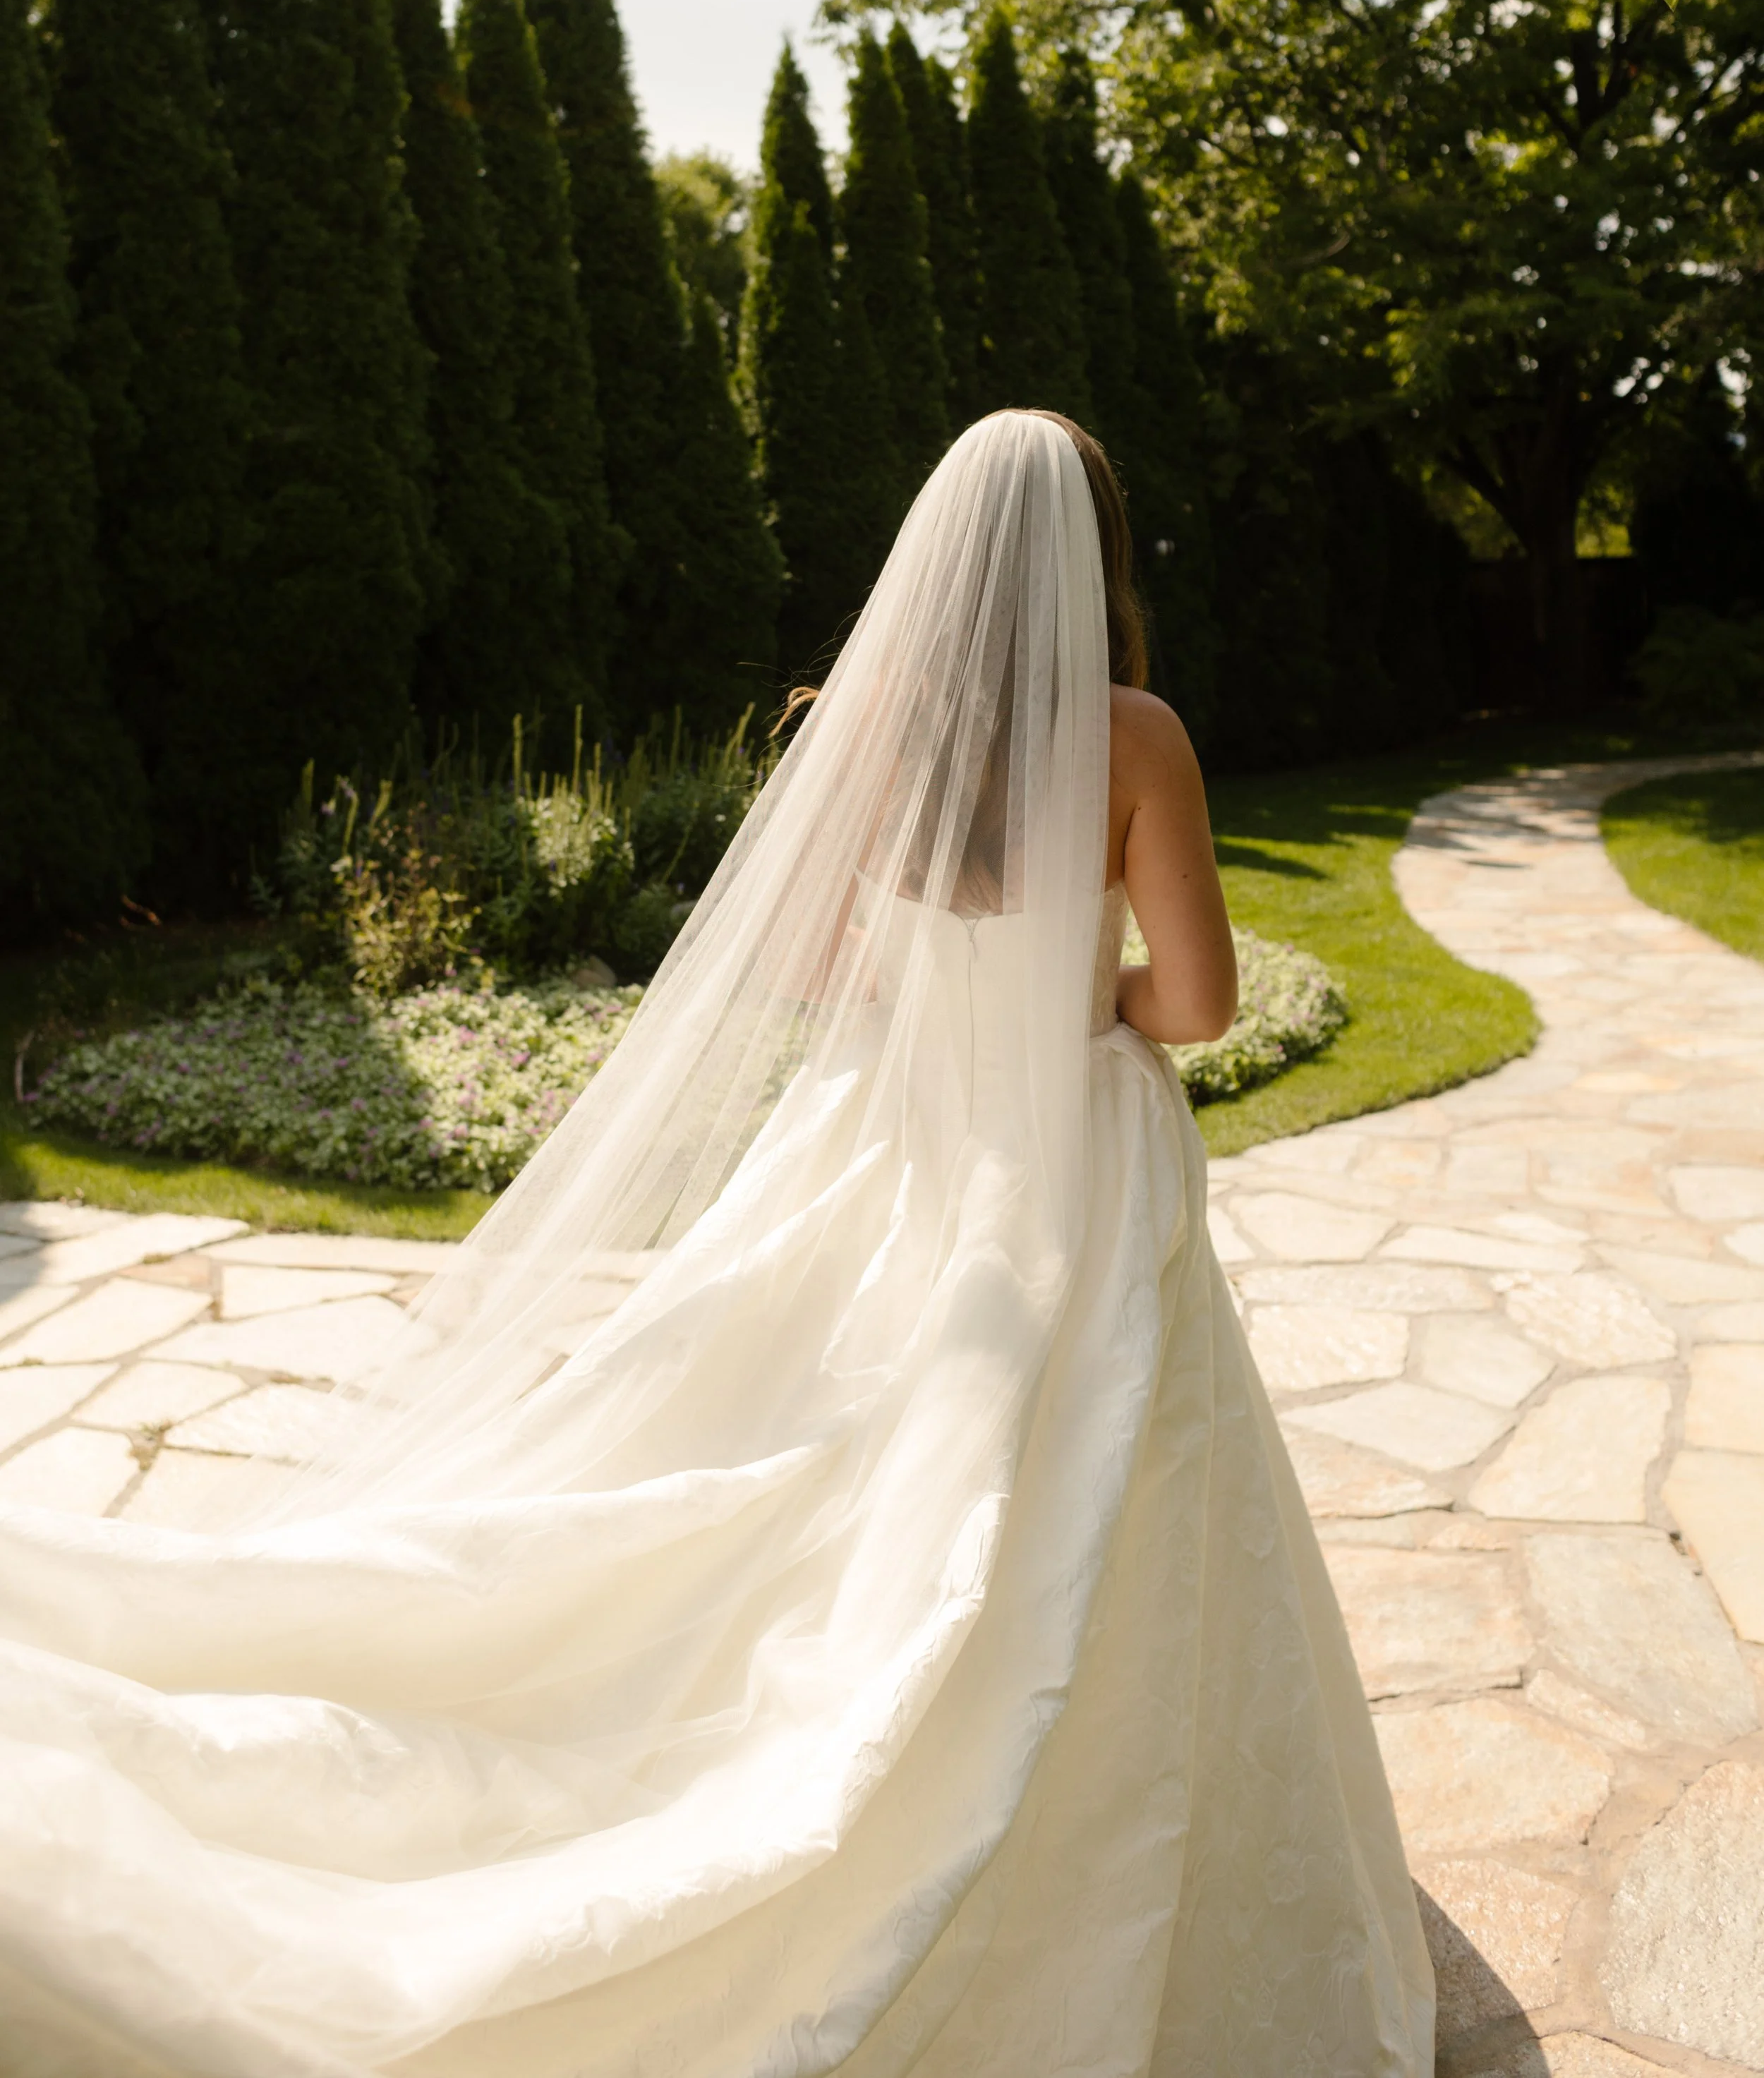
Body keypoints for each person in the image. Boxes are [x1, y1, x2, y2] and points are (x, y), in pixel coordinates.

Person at [0, 409, 1433, 2075]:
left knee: (812, 1459)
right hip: (1065, 1163)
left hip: (887, 1144)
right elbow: (1193, 1003)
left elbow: (826, 971)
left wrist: (957, 996)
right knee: (1093, 1483)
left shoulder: (871, 722)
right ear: (1093, 557)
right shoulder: (1131, 739)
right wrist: (1068, 997)